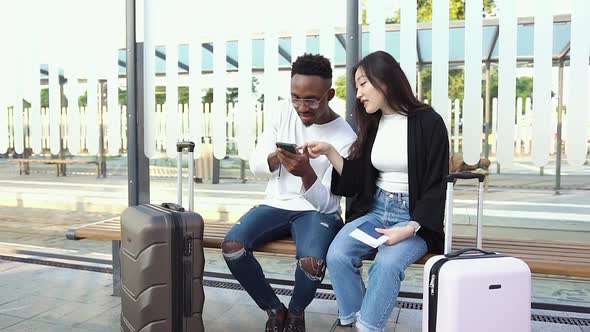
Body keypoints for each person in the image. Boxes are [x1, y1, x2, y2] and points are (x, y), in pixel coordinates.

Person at [302, 51, 449, 332]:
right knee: (338, 254)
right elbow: (359, 180)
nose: (358, 94)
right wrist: (330, 151)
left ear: (384, 81)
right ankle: (362, 321)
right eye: (357, 86)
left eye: (362, 84)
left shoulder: (429, 123)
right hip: (377, 212)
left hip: (414, 219)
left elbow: (436, 185)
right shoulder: (372, 122)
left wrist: (410, 228)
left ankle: (366, 327)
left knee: (387, 264)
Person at [221, 53, 357, 332]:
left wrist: (306, 173)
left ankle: (296, 313)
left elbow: (329, 204)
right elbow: (257, 166)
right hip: (275, 203)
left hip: (315, 211)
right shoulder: (282, 111)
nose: (301, 107)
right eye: (296, 97)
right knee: (232, 247)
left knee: (312, 262)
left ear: (329, 94)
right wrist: (277, 157)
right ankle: (274, 310)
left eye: (311, 100)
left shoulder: (345, 136)